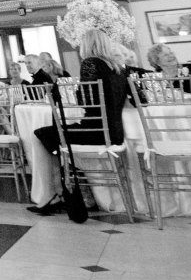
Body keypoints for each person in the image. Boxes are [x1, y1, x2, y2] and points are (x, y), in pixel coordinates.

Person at [27, 30, 131, 216]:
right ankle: (60, 191)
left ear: (86, 45)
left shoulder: (90, 63)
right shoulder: (119, 67)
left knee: (39, 135)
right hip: (115, 132)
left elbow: (86, 100)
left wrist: (76, 93)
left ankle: (52, 194)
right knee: (52, 136)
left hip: (95, 130)